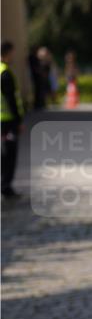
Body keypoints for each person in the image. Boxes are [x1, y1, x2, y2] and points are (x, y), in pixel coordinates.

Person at [1, 41, 24, 200]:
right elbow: (11, 100)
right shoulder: (5, 73)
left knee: (4, 154)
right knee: (9, 154)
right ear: (7, 53)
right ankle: (6, 187)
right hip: (8, 121)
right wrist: (18, 121)